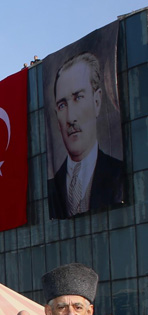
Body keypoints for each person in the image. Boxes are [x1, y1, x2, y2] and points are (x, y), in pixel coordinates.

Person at [47, 53, 125, 219]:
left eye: (78, 98)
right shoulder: (52, 189)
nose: (71, 118)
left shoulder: (120, 175)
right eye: (62, 105)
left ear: (97, 101)